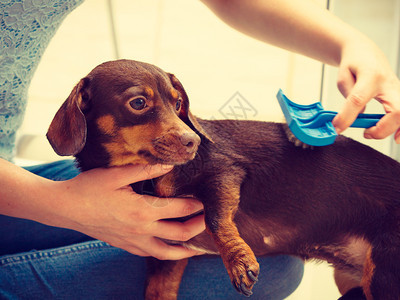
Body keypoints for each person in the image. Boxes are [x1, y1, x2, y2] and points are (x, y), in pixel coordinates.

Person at [0, 0, 399, 299]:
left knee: (281, 269)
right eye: (140, 104)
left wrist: (352, 44)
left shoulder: (188, 153)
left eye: (176, 107)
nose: (185, 132)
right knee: (275, 274)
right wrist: (59, 204)